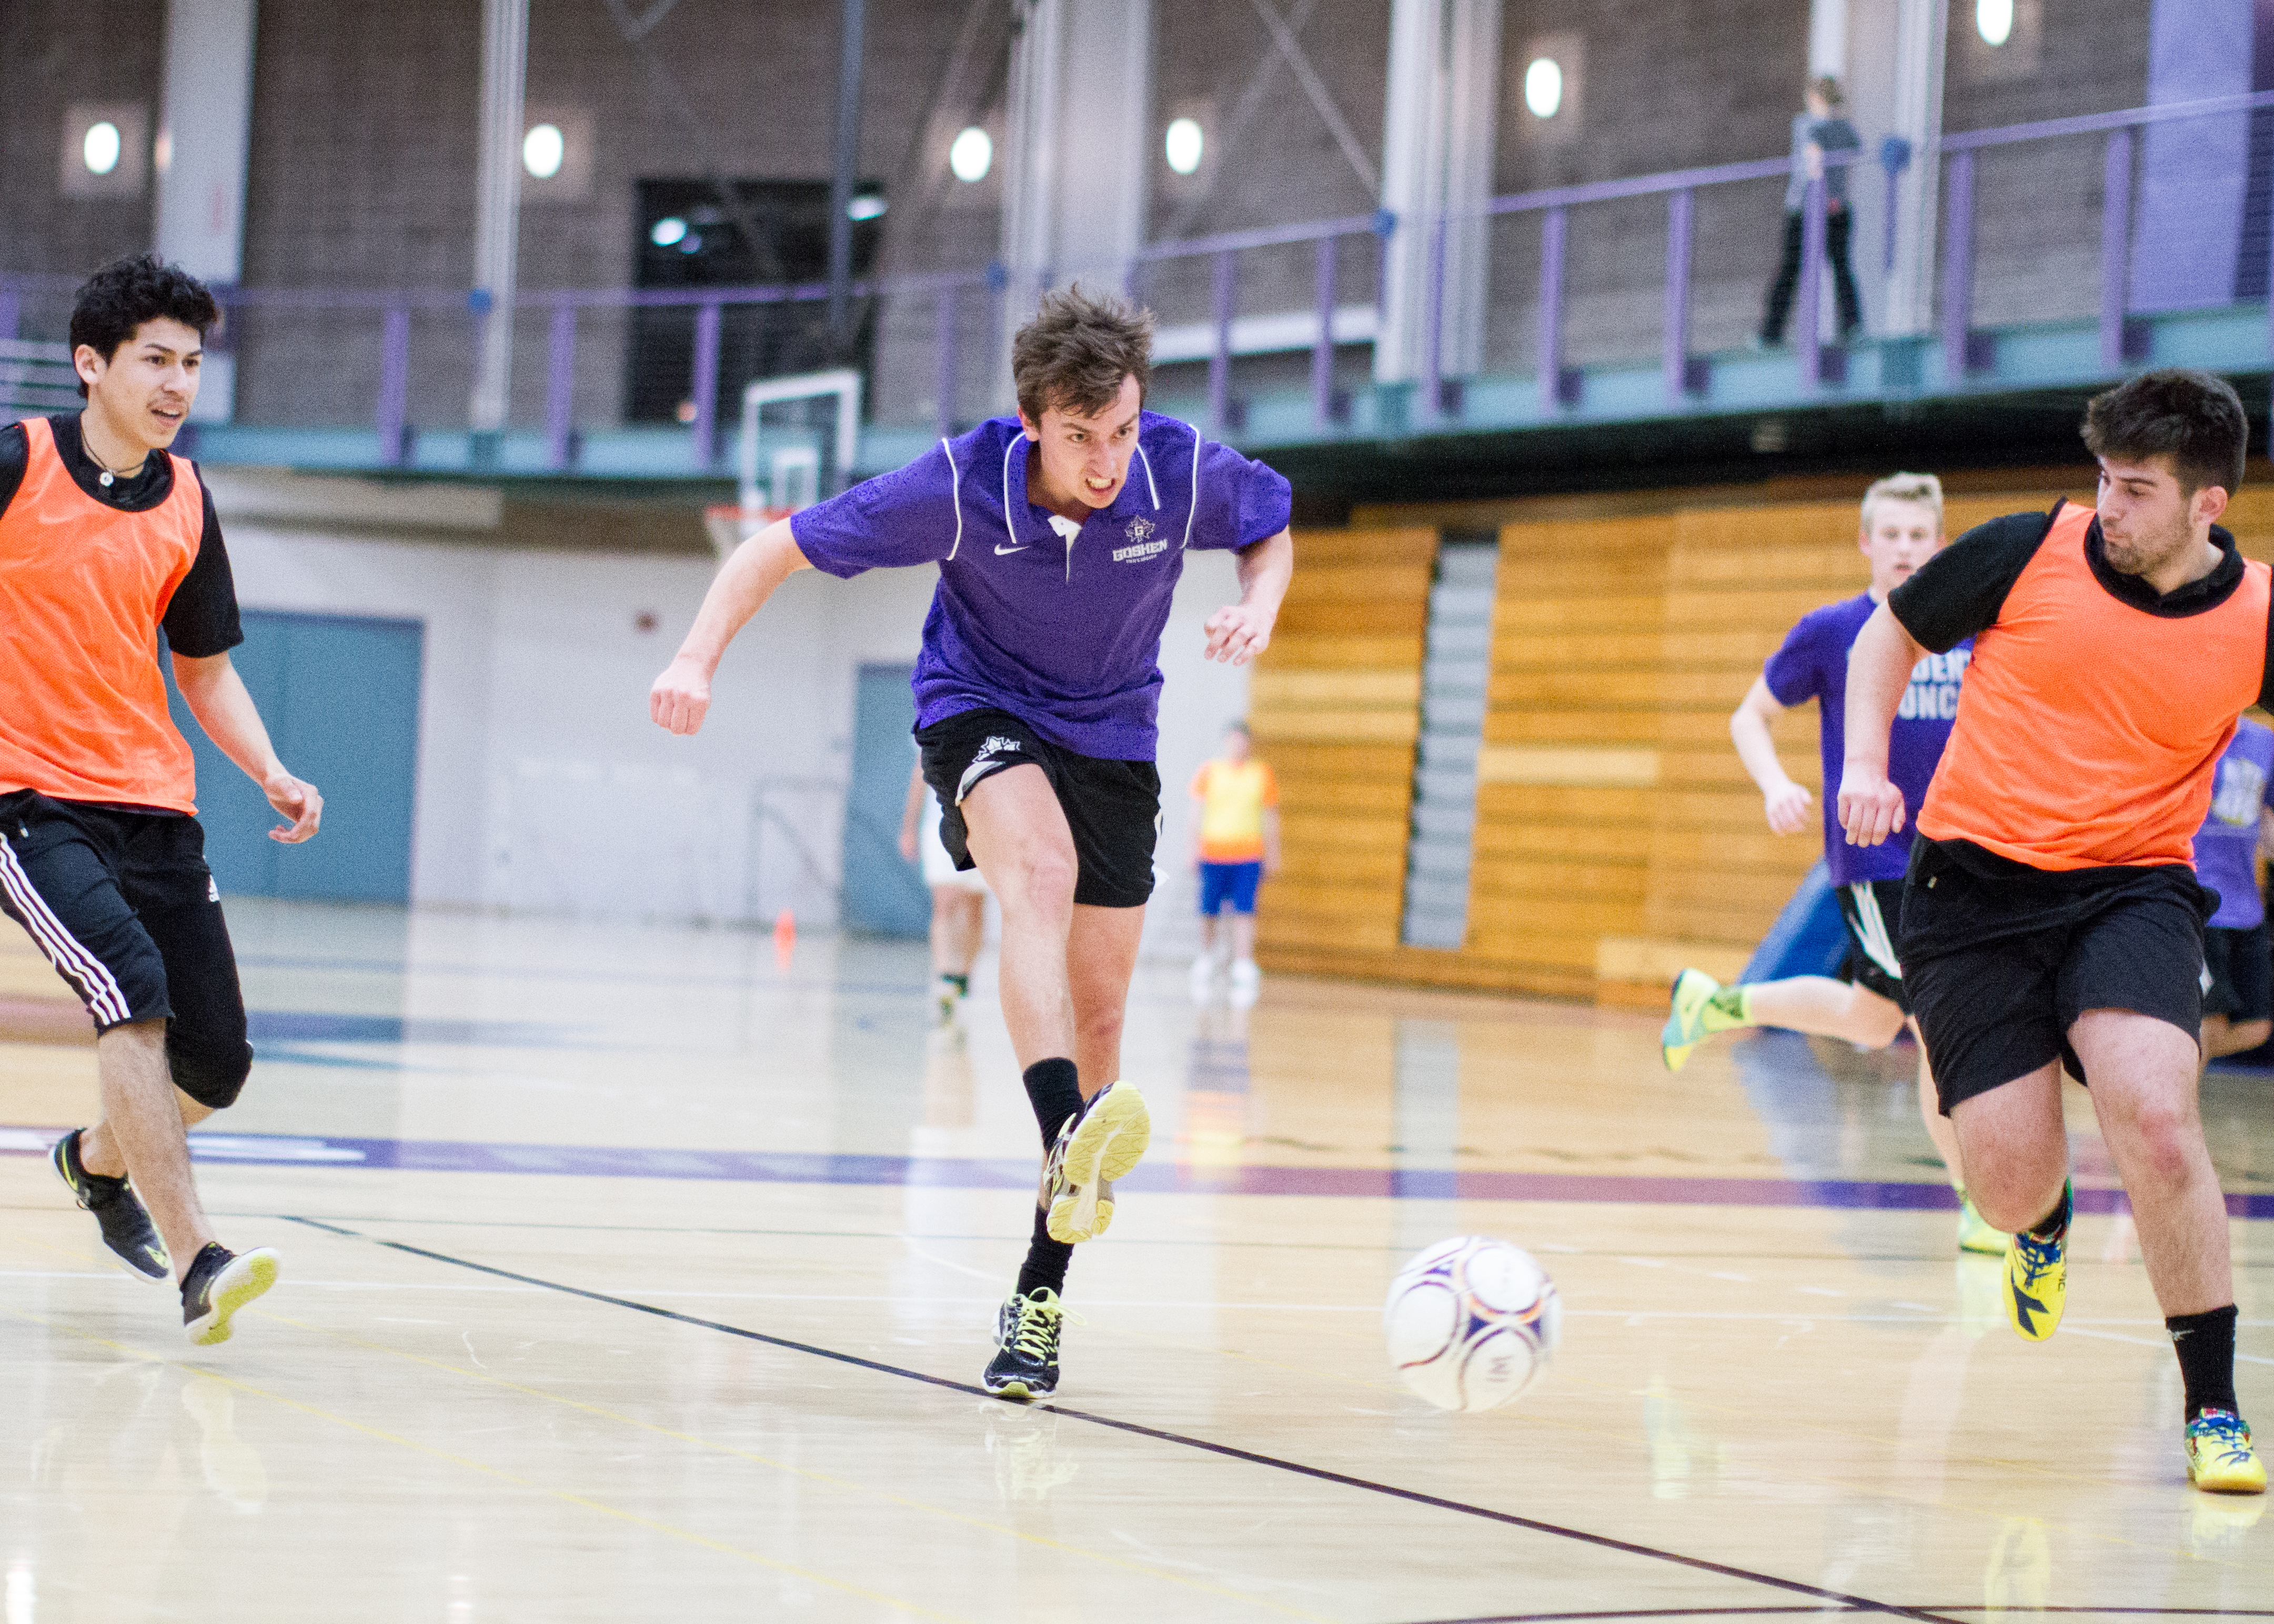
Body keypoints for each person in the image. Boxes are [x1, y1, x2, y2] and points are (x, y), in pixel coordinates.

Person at [650, 285, 1294, 1401]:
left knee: (1102, 1022)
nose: (1107, 461)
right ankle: (1063, 1134)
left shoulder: (1175, 471)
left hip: (1115, 740)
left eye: (1123, 431)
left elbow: (1270, 526)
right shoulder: (957, 483)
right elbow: (770, 553)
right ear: (1036, 418)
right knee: (1035, 876)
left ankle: (1039, 1294)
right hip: (980, 708)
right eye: (1082, 435)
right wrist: (694, 658)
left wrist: (1263, 604)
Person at [1839, 368, 2267, 1495]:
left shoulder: (2256, 613)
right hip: (1972, 895)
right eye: (2103, 481)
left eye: (2136, 489)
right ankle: (2043, 1216)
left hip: (2128, 887)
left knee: (2160, 1122)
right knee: (2005, 1185)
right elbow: (1885, 639)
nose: (2109, 507)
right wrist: (1864, 767)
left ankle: (2213, 1405)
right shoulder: (2026, 551)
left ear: (2205, 504)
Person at [5, 255, 323, 1344]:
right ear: (92, 365)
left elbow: (203, 669)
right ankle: (200, 1261)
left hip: (153, 802)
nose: (179, 382)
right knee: (129, 987)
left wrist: (270, 767)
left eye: (192, 363)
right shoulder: (19, 461)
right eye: (156, 360)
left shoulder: (187, 498)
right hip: (27, 799)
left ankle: (92, 1161)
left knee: (217, 1063)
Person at [1662, 472, 2003, 1256]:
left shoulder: (1970, 634)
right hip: (1878, 859)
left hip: (1962, 860)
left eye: (1919, 535)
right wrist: (1777, 783)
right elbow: (1748, 716)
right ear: (1865, 544)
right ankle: (1980, 1207)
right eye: (1890, 535)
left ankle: (1715, 1005)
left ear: (1940, 544)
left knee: (1869, 1016)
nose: (1905, 548)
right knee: (1939, 1023)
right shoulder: (1831, 630)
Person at [1760, 76, 1864, 346]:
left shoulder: (1807, 125)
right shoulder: (1842, 128)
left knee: (1793, 268)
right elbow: (1851, 155)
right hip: (1831, 207)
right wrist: (1835, 194)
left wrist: (1827, 193)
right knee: (1838, 267)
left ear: (1814, 99)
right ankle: (1851, 327)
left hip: (1807, 207)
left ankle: (1771, 333)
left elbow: (1813, 159)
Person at [2193, 717, 2274, 1061]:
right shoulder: (2191, 733)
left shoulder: (2264, 740)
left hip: (2246, 907)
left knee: (2258, 1026)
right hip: (2201, 898)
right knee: (2208, 1022)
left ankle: (2155, 1057)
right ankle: (2184, 1108)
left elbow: (2265, 813)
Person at [1188, 720, 1279, 1003]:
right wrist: (1192, 849)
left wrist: (1273, 853)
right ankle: (1206, 958)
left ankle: (1242, 963)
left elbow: (1270, 816)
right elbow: (1196, 813)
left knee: (1245, 910)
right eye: (1233, 740)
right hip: (1213, 852)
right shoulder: (1209, 772)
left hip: (1248, 854)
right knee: (1208, 909)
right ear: (1226, 742)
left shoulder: (1261, 774)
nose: (1238, 745)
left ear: (1249, 743)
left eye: (1243, 740)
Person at [900, 754, 990, 1022]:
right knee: (945, 903)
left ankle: (963, 974)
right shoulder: (934, 722)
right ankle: (945, 976)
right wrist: (908, 828)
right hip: (940, 824)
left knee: (974, 907)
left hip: (982, 828)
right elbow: (919, 777)